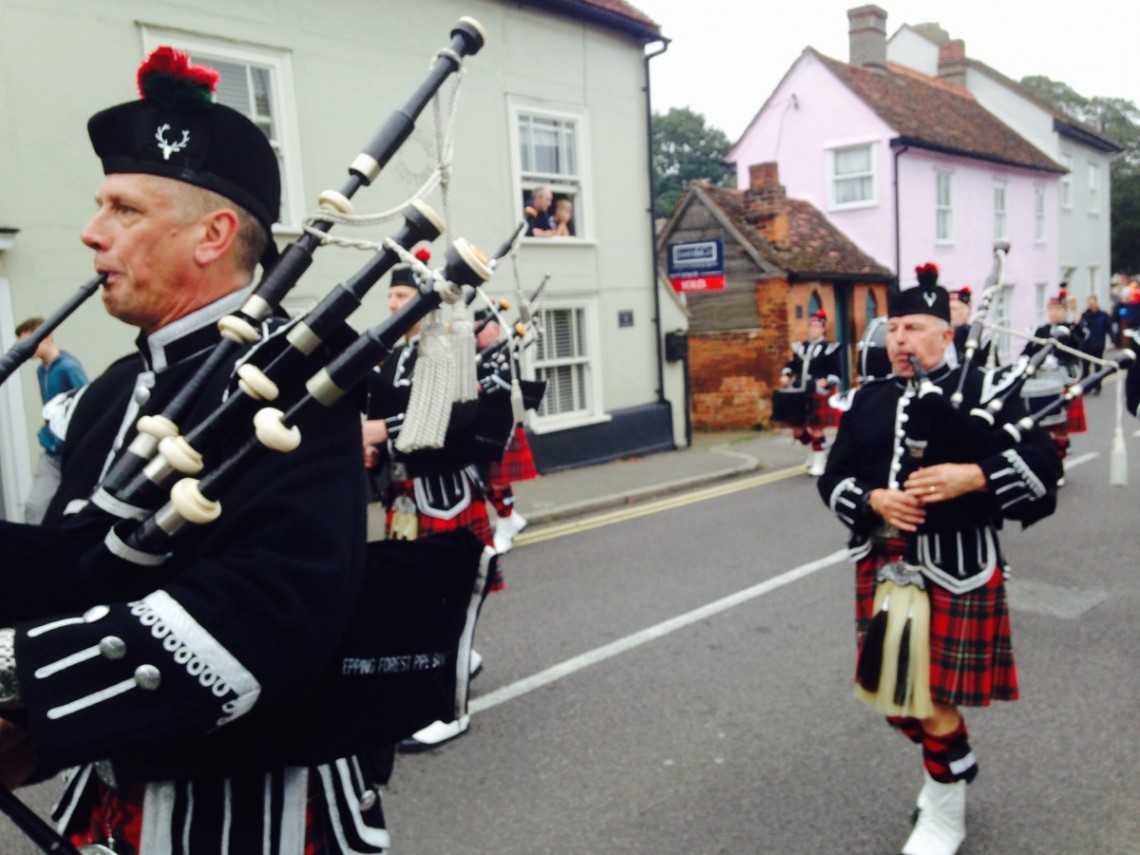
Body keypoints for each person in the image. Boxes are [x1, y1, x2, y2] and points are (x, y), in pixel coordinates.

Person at [0, 48, 391, 853]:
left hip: (253, 813)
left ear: (213, 235)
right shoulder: (109, 392)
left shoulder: (302, 373)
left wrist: (21, 681)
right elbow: (79, 567)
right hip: (115, 790)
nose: (90, 230)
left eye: (124, 209)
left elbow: (273, 610)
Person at [818, 263, 1061, 855]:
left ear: (946, 335)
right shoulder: (869, 399)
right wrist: (872, 498)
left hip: (957, 566)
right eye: (894, 327)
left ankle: (945, 817)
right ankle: (951, 765)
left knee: (931, 697)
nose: (900, 339)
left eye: (916, 327)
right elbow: (832, 478)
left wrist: (973, 476)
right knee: (894, 694)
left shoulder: (986, 391)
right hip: (883, 567)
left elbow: (1045, 469)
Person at [362, 264, 505, 752]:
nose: (394, 304)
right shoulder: (398, 356)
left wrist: (383, 432)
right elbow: (385, 413)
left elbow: (453, 417)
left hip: (447, 498)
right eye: (392, 295)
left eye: (404, 294)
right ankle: (459, 660)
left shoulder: (448, 351)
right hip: (406, 497)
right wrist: (375, 448)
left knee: (446, 601)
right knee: (418, 601)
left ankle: (451, 711)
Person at [473, 307, 538, 553]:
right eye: (477, 326)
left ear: (496, 328)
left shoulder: (507, 350)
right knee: (484, 481)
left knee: (498, 482)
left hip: (502, 425)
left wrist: (479, 385)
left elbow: (509, 381)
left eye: (485, 326)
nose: (479, 331)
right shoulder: (472, 353)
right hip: (479, 426)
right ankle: (512, 519)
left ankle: (504, 526)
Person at [13, 318, 88, 524]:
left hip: (71, 453)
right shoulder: (42, 371)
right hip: (52, 453)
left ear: (47, 337)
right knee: (36, 507)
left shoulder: (68, 367)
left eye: (30, 342)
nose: (26, 349)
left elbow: (86, 405)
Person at [1021, 288, 1087, 468]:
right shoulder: (1041, 330)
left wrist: (1076, 313)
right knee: (1042, 427)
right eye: (1051, 309)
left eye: (1058, 309)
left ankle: (1059, 462)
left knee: (1061, 427)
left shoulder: (1071, 329)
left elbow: (1080, 338)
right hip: (1042, 383)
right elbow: (1027, 352)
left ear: (1064, 311)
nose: (1054, 313)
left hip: (1064, 380)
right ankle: (1046, 461)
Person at [777, 308, 841, 476]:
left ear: (823, 328)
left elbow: (836, 373)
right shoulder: (800, 347)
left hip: (818, 392)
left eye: (817, 326)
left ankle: (820, 463)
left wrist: (826, 381)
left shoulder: (830, 348)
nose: (813, 329)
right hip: (799, 392)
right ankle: (813, 453)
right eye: (811, 326)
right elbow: (790, 365)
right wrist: (786, 375)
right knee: (797, 429)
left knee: (816, 428)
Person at [1078, 295, 1112, 393]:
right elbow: (1080, 329)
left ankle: (1097, 386)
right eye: (1089, 303)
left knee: (1098, 367)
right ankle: (1086, 387)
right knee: (1085, 366)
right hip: (1086, 345)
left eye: (1092, 303)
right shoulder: (1084, 315)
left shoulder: (1103, 315)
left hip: (1098, 344)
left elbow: (1109, 328)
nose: (1091, 305)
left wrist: (1113, 340)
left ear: (1096, 303)